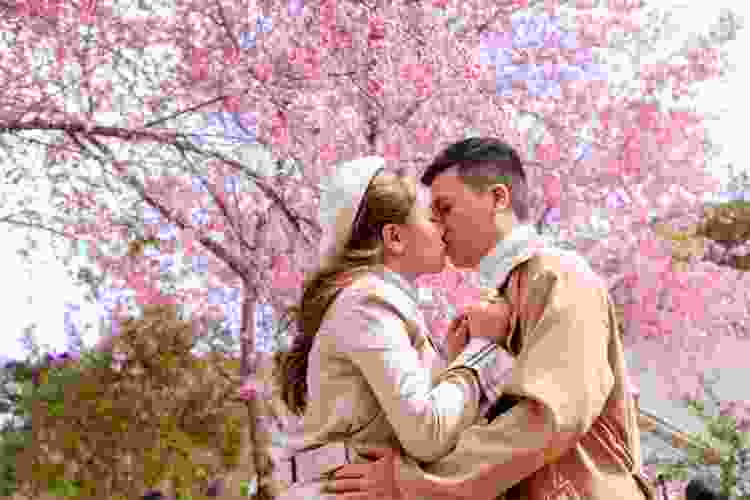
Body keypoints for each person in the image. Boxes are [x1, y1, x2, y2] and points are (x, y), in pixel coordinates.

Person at [325, 137, 656, 500]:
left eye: (445, 208)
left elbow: (546, 418)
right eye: (431, 214)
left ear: (498, 198)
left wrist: (411, 483)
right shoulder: (497, 301)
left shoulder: (560, 277)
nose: (436, 225)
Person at [272, 156, 516, 500]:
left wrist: (450, 361)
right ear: (395, 237)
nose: (443, 227)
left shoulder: (373, 300)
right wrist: (481, 354)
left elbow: (390, 415)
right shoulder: (369, 301)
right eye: (432, 218)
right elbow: (427, 431)